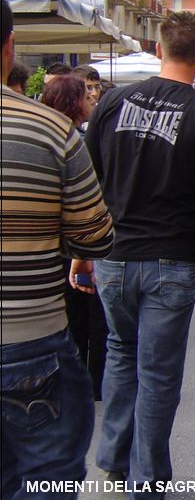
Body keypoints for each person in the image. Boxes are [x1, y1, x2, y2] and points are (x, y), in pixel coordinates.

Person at [78, 11, 195, 500]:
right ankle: (148, 480)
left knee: (121, 354)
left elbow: (89, 180)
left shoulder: (112, 102)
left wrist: (85, 249)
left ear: (159, 48)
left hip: (115, 255)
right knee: (159, 371)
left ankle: (114, 458)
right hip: (171, 258)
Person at [1, 0, 114, 500]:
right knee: (44, 478)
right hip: (27, 340)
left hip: (31, 342)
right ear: (9, 47)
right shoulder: (50, 130)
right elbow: (95, 238)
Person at [42, 74, 110, 399]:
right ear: (73, 102)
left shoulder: (46, 135)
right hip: (72, 245)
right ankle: (89, 382)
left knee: (74, 315)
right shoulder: (72, 142)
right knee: (83, 313)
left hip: (56, 245)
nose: (91, 99)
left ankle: (78, 381)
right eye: (86, 94)